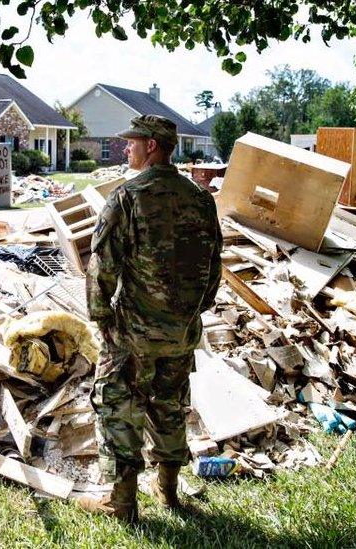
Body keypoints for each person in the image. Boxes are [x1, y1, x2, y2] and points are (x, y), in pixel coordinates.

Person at [76, 115, 223, 522]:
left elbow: (102, 265)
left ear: (152, 146)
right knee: (171, 406)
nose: (126, 148)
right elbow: (214, 267)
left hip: (133, 334)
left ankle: (121, 502)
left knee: (119, 407)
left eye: (132, 142)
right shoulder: (201, 198)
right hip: (180, 333)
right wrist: (190, 314)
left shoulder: (128, 196)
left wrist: (101, 317)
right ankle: (169, 492)